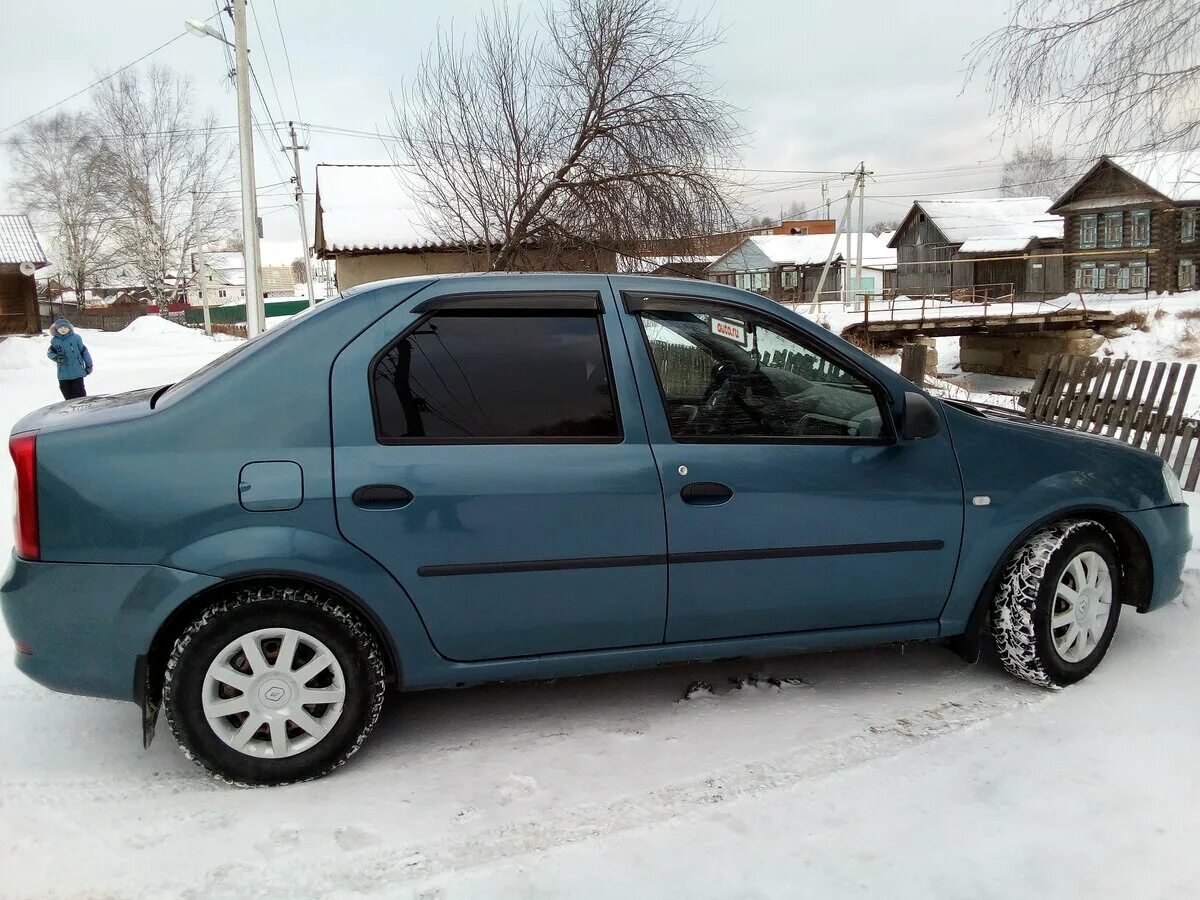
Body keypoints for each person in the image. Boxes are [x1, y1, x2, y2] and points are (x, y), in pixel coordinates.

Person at [46, 317, 93, 400]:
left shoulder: (76, 338)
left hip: (77, 371)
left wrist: (89, 365)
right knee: (67, 395)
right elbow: (50, 353)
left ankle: (83, 410)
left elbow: (84, 352)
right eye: (60, 327)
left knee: (79, 394)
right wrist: (56, 357)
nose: (63, 329)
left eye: (65, 327)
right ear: (56, 329)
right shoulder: (55, 341)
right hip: (63, 374)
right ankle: (71, 411)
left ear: (69, 328)